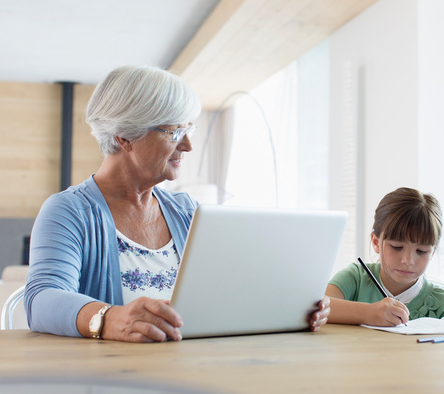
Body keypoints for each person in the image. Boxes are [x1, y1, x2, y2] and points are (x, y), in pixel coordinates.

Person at [24, 65, 330, 342]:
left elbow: (231, 291)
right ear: (124, 137)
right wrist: (108, 318)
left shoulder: (187, 212)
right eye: (174, 131)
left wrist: (293, 305)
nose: (188, 145)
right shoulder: (69, 211)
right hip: (111, 382)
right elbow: (42, 299)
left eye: (189, 129)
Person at [326, 187, 444, 326]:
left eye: (421, 251)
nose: (408, 260)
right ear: (376, 242)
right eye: (397, 247)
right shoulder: (355, 278)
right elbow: (317, 308)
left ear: (433, 251)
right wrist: (367, 313)